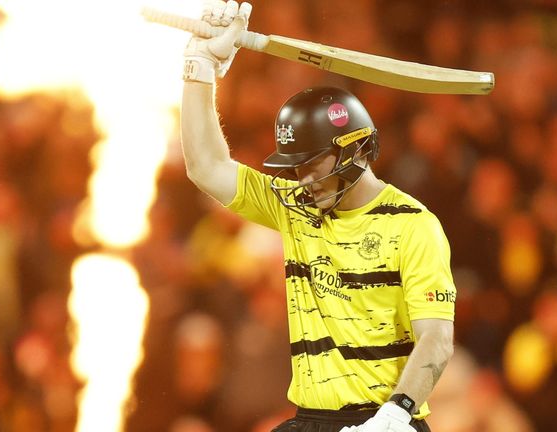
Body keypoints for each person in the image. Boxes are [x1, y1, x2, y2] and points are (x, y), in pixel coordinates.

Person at [179, 2, 457, 432]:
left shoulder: (413, 225)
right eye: (295, 165)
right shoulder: (294, 205)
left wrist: (396, 414)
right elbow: (205, 166)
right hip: (309, 421)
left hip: (388, 422)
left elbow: (436, 339)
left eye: (312, 163)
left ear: (356, 149)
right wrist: (200, 68)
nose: (302, 178)